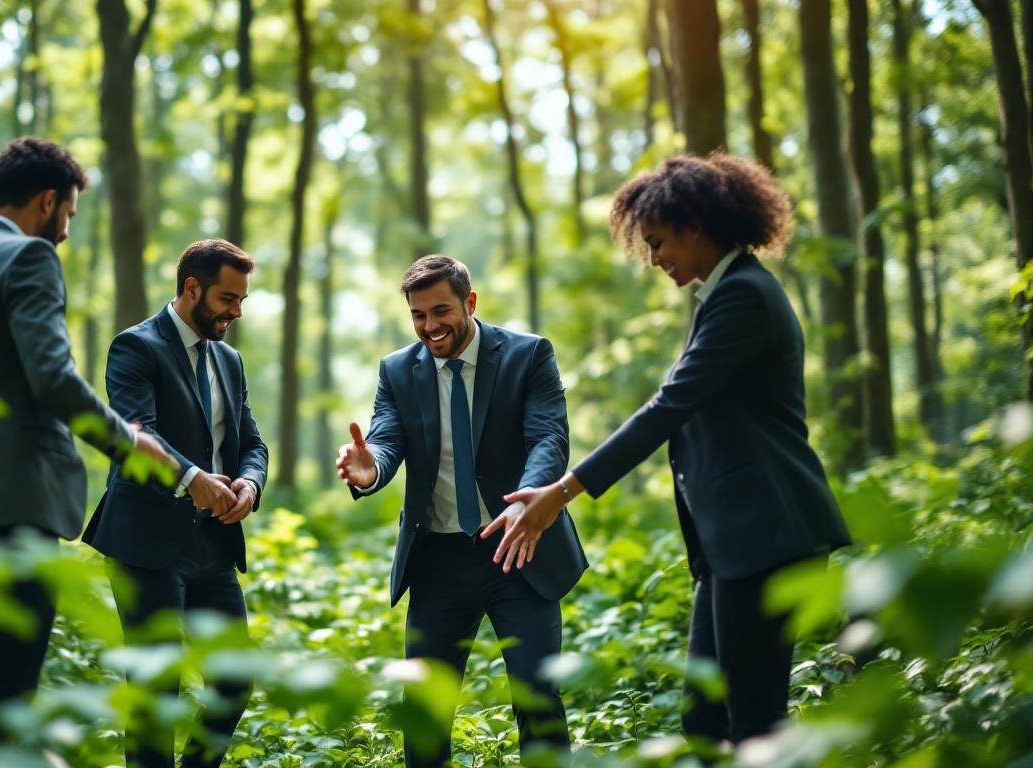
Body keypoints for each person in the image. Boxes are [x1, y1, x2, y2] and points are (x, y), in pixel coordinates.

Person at [494, 153, 852, 745]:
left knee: (755, 724)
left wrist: (562, 491)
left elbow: (669, 407)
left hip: (768, 532)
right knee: (705, 718)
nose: (654, 258)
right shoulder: (723, 294)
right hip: (737, 544)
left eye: (658, 242)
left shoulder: (744, 296)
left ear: (694, 226)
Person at [0, 137, 170, 718]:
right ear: (47, 201)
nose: (65, 230)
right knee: (7, 699)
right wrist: (129, 441)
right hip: (12, 512)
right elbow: (53, 377)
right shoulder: (29, 258)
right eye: (68, 213)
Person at [336, 255, 586, 766]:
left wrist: (529, 498)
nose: (430, 326)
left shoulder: (528, 355)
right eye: (418, 315)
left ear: (470, 302)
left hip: (518, 547)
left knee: (537, 699)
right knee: (425, 711)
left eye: (441, 311)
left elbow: (548, 438)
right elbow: (386, 439)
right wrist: (371, 468)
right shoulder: (397, 371)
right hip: (439, 561)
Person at [82, 238, 268, 768]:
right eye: (228, 299)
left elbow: (253, 443)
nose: (236, 312)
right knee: (155, 691)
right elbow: (135, 434)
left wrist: (250, 483)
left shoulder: (230, 360)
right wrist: (191, 478)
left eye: (242, 301)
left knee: (233, 682)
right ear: (192, 288)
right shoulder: (135, 347)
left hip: (214, 542)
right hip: (146, 543)